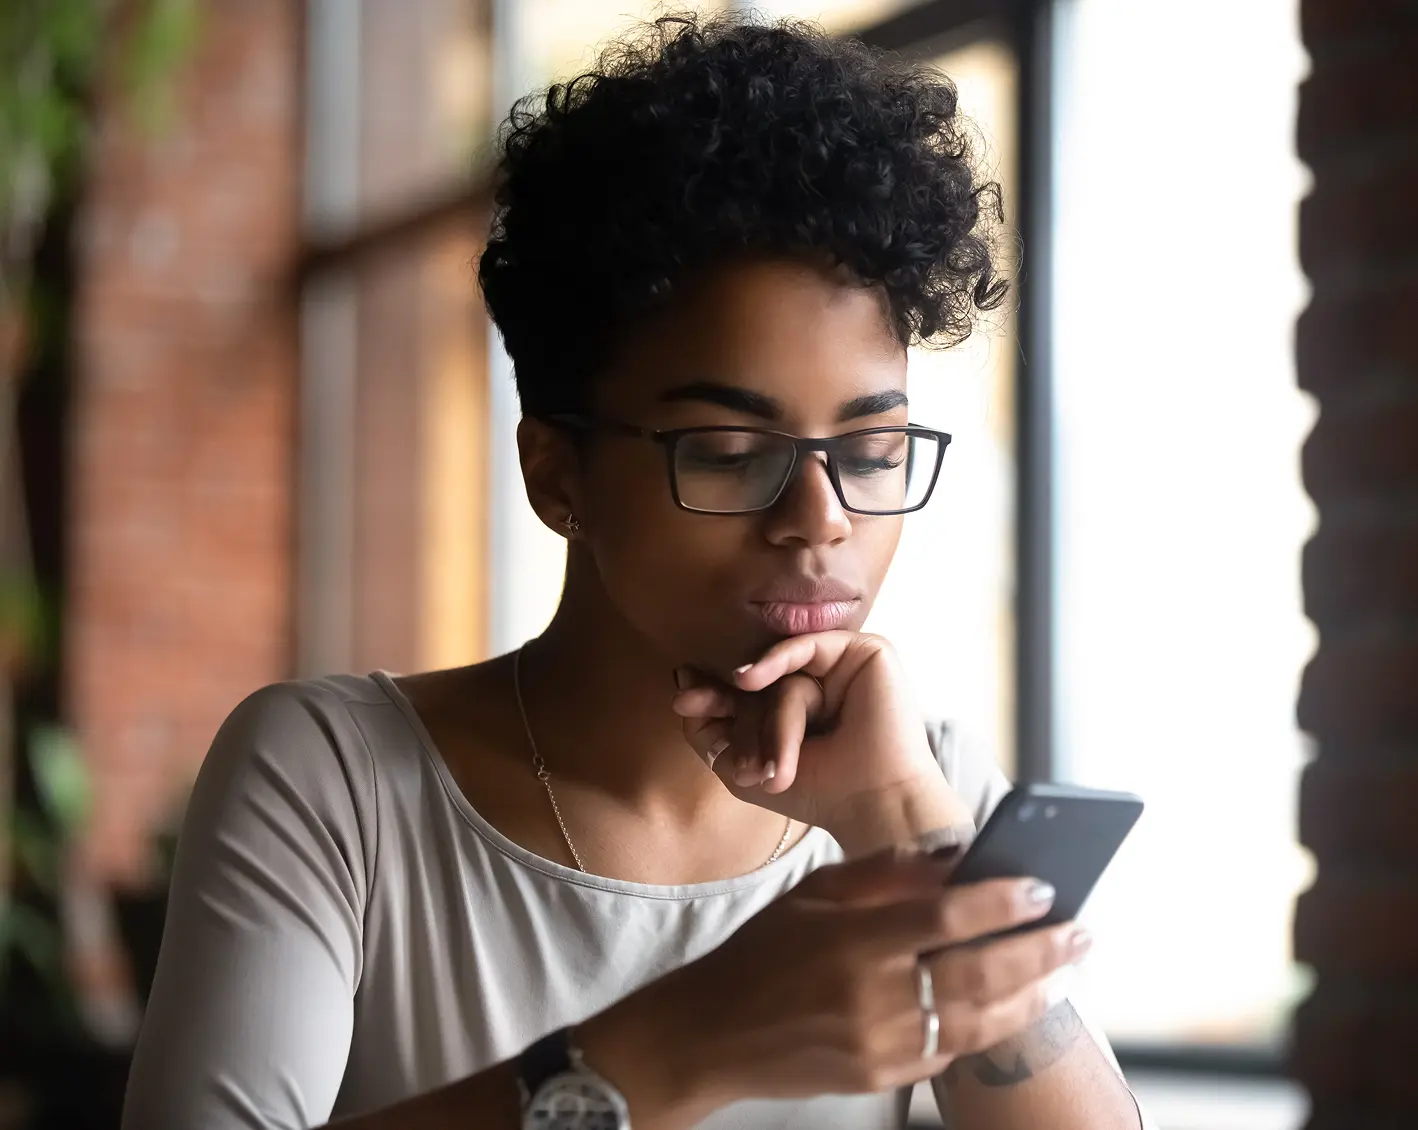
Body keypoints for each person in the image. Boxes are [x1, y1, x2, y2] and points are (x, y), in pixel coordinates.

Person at [122, 14, 1150, 1130]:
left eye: (868, 451)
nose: (820, 521)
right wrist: (687, 1039)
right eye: (727, 450)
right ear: (556, 473)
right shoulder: (337, 784)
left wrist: (904, 817)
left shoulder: (915, 774)